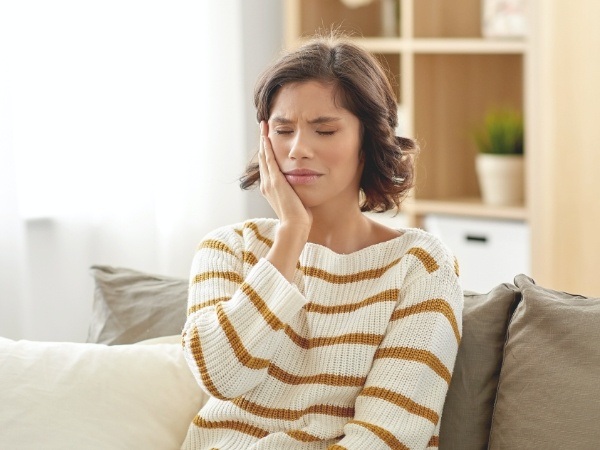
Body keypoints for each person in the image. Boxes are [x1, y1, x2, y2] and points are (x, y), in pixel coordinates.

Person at [180, 33, 463, 450]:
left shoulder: (419, 264)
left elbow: (391, 436)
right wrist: (292, 234)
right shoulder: (226, 249)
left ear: (367, 141)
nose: (298, 150)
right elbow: (220, 376)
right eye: (283, 129)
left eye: (324, 130)